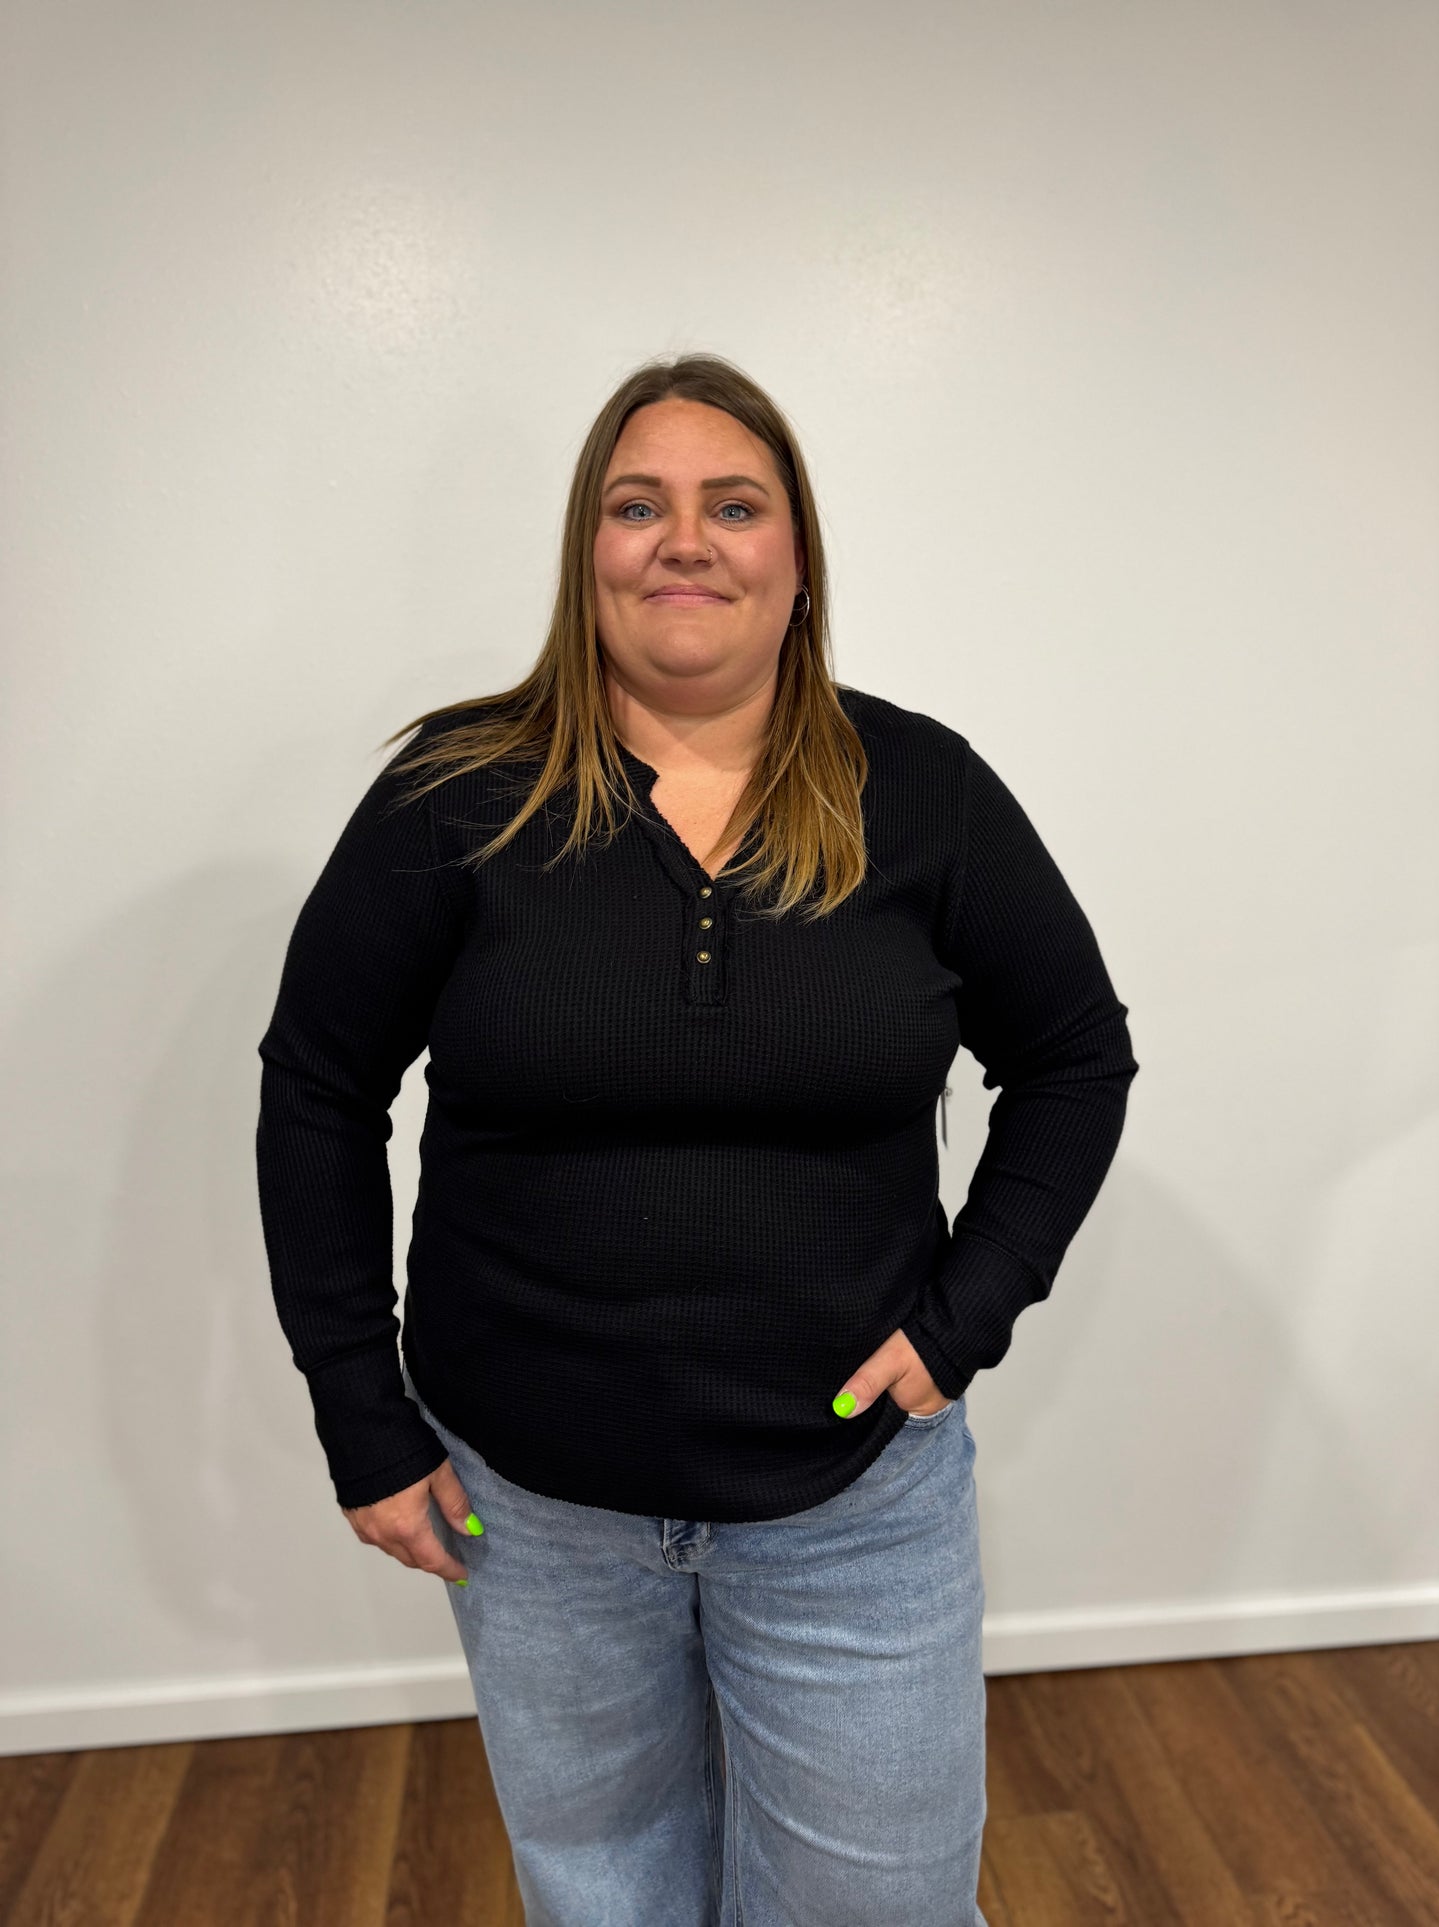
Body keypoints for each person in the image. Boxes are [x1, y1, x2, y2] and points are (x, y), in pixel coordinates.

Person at [254, 351, 1139, 1927]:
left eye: (734, 505)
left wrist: (965, 1315)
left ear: (795, 562)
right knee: (609, 1901)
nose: (685, 540)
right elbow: (317, 1089)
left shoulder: (918, 792)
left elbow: (1074, 1057)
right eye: (635, 505)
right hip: (530, 1516)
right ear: (584, 554)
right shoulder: (458, 797)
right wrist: (359, 1413)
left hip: (853, 1503)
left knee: (879, 1908)